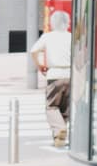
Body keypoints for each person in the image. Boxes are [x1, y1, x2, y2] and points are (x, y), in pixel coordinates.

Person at [31, 10, 72, 147]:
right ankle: (59, 137)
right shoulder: (71, 37)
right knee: (66, 108)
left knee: (52, 106)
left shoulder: (48, 37)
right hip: (70, 75)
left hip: (54, 75)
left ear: (53, 23)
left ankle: (59, 130)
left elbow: (33, 50)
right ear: (67, 23)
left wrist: (40, 65)